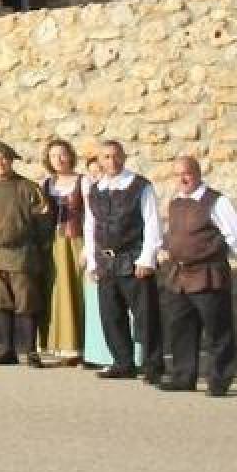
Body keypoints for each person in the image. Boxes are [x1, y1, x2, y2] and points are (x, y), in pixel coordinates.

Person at [156, 155, 237, 396]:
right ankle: (183, 377)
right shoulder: (175, 202)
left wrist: (214, 258)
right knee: (181, 329)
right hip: (179, 277)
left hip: (209, 276)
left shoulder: (216, 202)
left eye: (186, 173)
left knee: (218, 331)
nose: (182, 178)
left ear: (197, 173)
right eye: (177, 174)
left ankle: (219, 381)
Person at [82, 139, 164, 382]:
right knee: (111, 315)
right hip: (106, 262)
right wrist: (93, 261)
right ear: (99, 161)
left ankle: (152, 365)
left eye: (116, 156)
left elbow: (152, 223)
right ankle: (123, 362)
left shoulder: (140, 186)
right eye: (106, 157)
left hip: (134, 259)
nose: (112, 161)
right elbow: (91, 225)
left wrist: (147, 258)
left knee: (145, 316)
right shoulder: (95, 189)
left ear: (124, 157)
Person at [0, 140, 51, 366]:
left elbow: (43, 222)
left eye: (4, 158)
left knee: (27, 303)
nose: (0, 163)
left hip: (22, 256)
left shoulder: (28, 188)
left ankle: (30, 351)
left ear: (11, 161)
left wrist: (35, 248)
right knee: (0, 303)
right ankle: (7, 349)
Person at [40, 139, 87, 365]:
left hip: (76, 240)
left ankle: (84, 346)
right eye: (53, 156)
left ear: (71, 155)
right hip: (54, 243)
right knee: (59, 291)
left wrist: (89, 246)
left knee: (78, 290)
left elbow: (92, 216)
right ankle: (62, 346)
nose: (58, 160)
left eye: (62, 154)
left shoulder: (83, 182)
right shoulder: (47, 184)